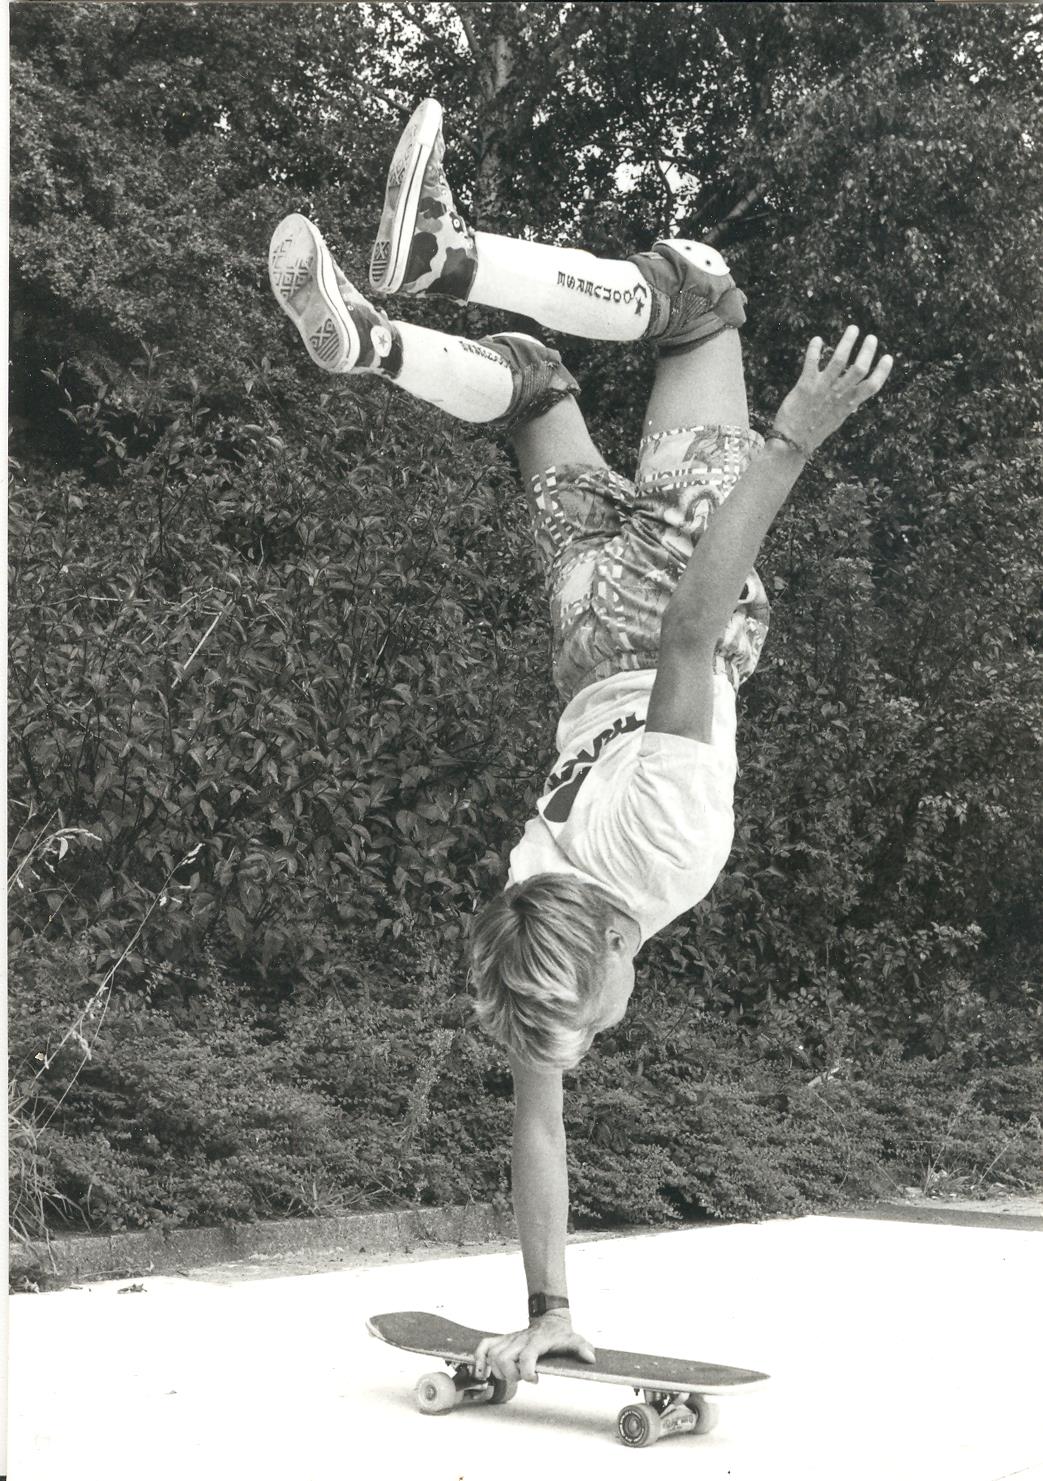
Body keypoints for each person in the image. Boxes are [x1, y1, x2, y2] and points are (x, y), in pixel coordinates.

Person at [269, 99, 893, 1390]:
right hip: (574, 625)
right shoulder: (527, 907)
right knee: (533, 384)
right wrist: (549, 1303)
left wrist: (790, 444)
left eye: (592, 1017)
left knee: (706, 300)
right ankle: (379, 342)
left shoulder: (662, 859)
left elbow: (691, 639)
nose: (595, 1033)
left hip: (667, 594)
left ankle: (441, 250)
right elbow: (537, 1122)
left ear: (608, 953)